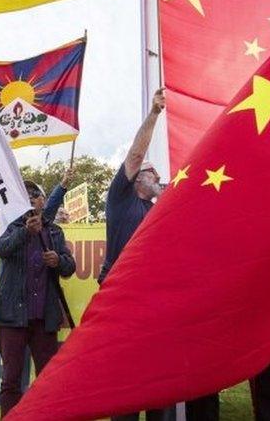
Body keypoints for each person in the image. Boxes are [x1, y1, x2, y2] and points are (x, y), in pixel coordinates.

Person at [99, 88, 175, 421]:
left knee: (158, 380)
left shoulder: (161, 211)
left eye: (159, 176)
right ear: (136, 180)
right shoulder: (121, 200)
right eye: (151, 174)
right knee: (124, 381)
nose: (158, 178)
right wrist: (155, 114)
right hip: (122, 300)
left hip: (155, 302)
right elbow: (134, 155)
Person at [0, 180, 77, 418]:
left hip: (44, 320)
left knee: (47, 381)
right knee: (10, 380)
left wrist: (58, 261)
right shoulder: (10, 224)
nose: (30, 196)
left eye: (35, 193)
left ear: (43, 201)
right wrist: (25, 232)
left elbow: (69, 267)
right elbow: (1, 248)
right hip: (12, 318)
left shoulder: (54, 231)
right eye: (26, 193)